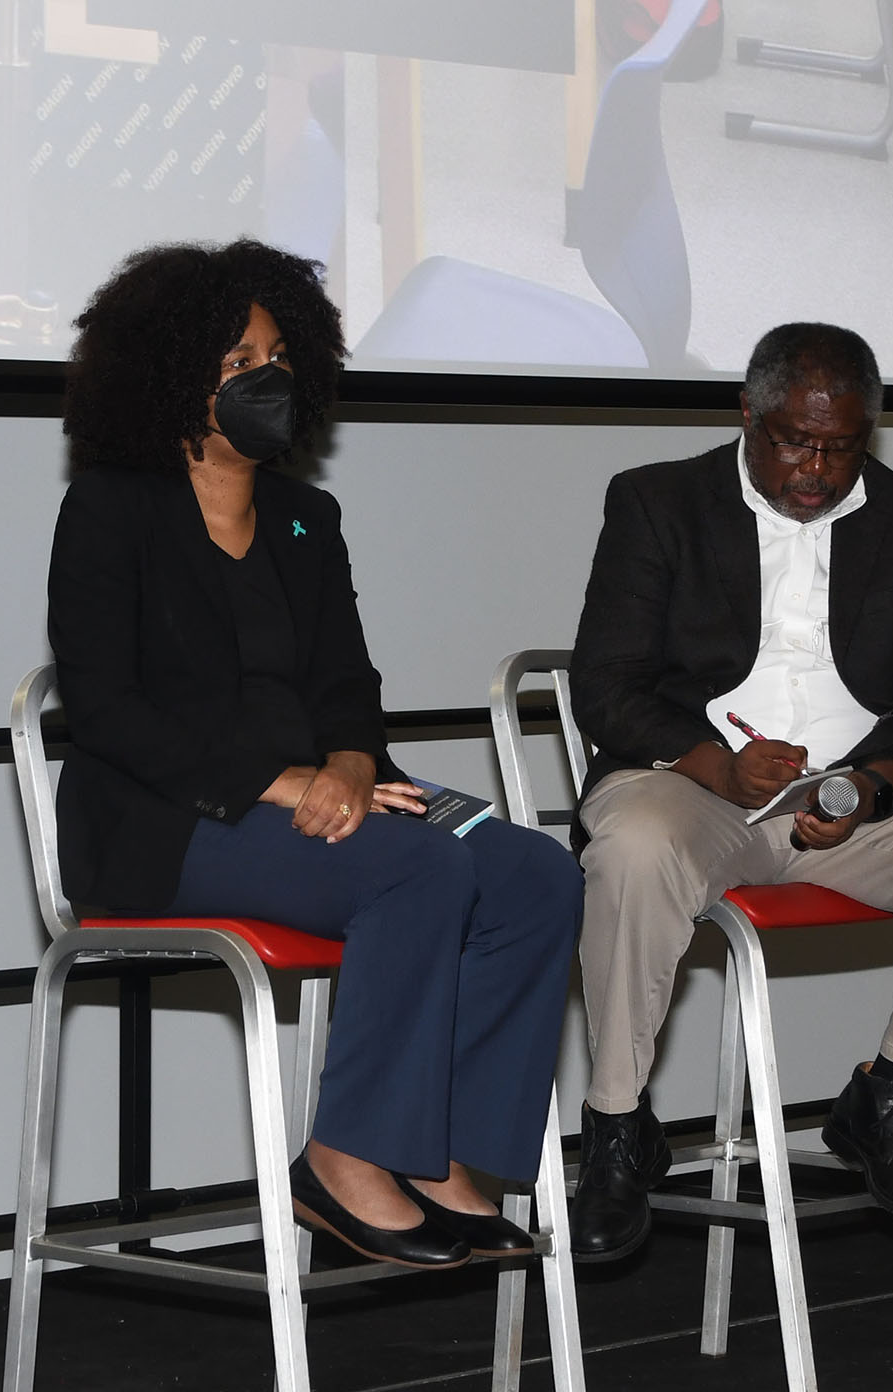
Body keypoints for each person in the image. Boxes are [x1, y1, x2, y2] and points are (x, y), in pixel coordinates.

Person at [45, 239, 584, 1270]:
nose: (269, 376)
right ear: (169, 374)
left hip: (315, 800)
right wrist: (279, 780)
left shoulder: (306, 516)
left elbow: (347, 685)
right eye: (237, 359)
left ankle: (434, 1151)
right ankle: (342, 1157)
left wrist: (346, 761)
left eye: (281, 352)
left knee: (533, 873)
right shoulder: (114, 508)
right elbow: (108, 710)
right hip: (164, 819)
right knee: (419, 864)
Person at [564, 323, 893, 1262]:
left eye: (842, 447)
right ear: (748, 414)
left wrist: (869, 786)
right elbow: (608, 688)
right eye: (796, 440)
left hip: (855, 805)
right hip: (697, 790)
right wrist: (716, 763)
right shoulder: (658, 501)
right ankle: (618, 1126)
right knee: (629, 848)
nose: (818, 471)